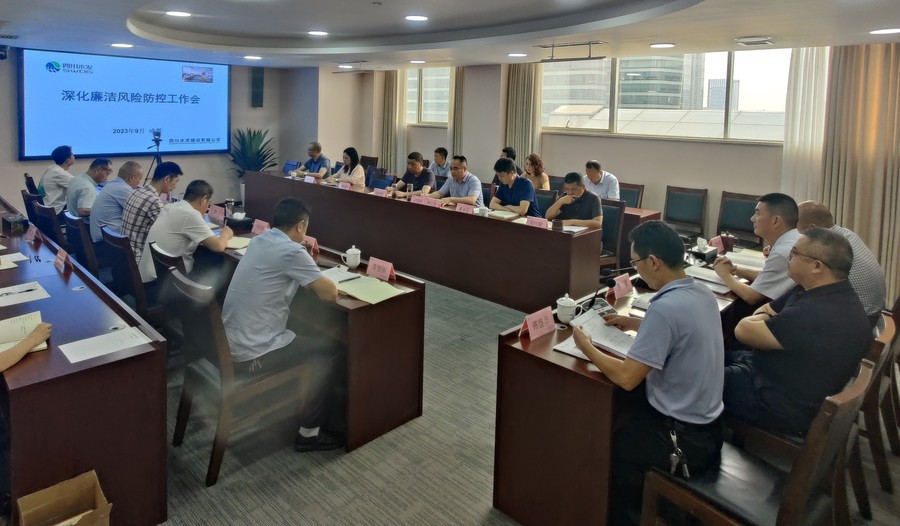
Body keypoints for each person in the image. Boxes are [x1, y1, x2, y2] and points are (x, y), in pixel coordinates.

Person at [573, 221, 723, 525]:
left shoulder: (665, 308)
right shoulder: (702, 292)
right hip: (711, 426)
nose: (636, 270)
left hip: (683, 439)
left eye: (635, 263)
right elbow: (682, 331)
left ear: (653, 261)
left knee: (605, 443)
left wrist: (586, 346)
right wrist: (636, 324)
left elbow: (627, 378)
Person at [222, 197, 345, 452]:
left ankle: (298, 402)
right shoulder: (292, 251)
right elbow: (329, 294)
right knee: (330, 349)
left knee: (305, 330)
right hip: (254, 353)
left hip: (229, 343)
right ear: (300, 226)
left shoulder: (259, 240)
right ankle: (309, 432)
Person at [723, 228, 872, 436]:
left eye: (794, 253)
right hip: (777, 375)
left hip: (777, 402)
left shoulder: (815, 314)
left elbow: (743, 330)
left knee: (694, 376)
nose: (789, 258)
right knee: (711, 356)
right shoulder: (825, 290)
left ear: (817, 266)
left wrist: (765, 316)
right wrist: (766, 316)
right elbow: (763, 312)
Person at [796, 201, 887, 327]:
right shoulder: (845, 234)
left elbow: (803, 281)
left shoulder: (827, 247)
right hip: (874, 312)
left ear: (812, 228)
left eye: (796, 225)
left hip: (859, 319)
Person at [712, 193, 801, 306]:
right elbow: (768, 276)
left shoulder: (782, 253)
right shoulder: (796, 239)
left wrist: (724, 274)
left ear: (775, 221)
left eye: (757, 213)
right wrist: (735, 270)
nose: (752, 218)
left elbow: (751, 296)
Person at [139, 179, 233, 282]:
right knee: (216, 270)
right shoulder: (191, 214)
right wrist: (226, 234)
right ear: (204, 199)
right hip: (167, 282)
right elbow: (218, 246)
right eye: (208, 203)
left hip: (150, 277)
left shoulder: (171, 206)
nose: (207, 207)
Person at [121, 161, 182, 264]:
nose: (175, 186)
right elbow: (170, 233)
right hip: (139, 260)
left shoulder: (136, 191)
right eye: (176, 181)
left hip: (125, 255)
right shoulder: (153, 201)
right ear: (167, 179)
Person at [90, 161, 144, 243]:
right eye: (139, 179)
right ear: (132, 178)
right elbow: (140, 213)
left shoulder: (112, 183)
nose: (139, 183)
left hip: (102, 236)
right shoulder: (123, 189)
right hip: (107, 242)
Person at [38, 145, 75, 214]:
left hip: (46, 207)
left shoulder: (52, 168)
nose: (74, 156)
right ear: (68, 160)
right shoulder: (58, 173)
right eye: (72, 155)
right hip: (55, 210)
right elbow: (80, 186)